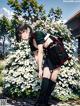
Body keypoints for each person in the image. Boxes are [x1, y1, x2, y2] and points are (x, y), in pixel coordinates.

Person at [16, 23, 70, 106]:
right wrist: (39, 68)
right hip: (49, 53)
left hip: (57, 51)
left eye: (23, 32)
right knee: (46, 75)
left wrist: (40, 69)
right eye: (20, 33)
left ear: (28, 30)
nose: (22, 35)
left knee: (53, 78)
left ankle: (44, 101)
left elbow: (41, 51)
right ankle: (41, 102)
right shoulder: (31, 42)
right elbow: (36, 55)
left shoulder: (38, 34)